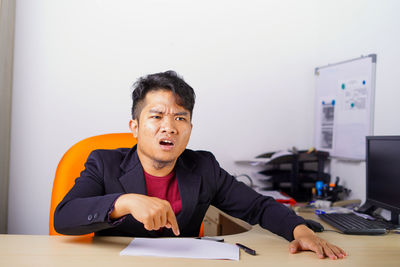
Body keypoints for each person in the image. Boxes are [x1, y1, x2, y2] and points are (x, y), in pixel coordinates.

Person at [54, 71, 346, 260]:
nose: (168, 127)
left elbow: (257, 207)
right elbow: (64, 218)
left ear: (190, 129)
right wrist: (125, 202)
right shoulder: (105, 163)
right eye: (156, 116)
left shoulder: (203, 166)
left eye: (180, 118)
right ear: (135, 126)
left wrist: (301, 231)